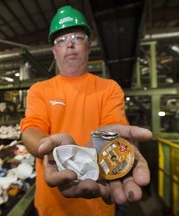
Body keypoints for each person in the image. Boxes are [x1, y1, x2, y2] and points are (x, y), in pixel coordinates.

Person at [20, 5, 152, 216]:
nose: (70, 44)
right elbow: (31, 129)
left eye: (77, 37)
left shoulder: (109, 88)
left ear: (89, 45)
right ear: (54, 52)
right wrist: (55, 151)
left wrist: (113, 147)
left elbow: (112, 127)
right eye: (61, 40)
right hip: (52, 207)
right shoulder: (39, 90)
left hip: (99, 204)